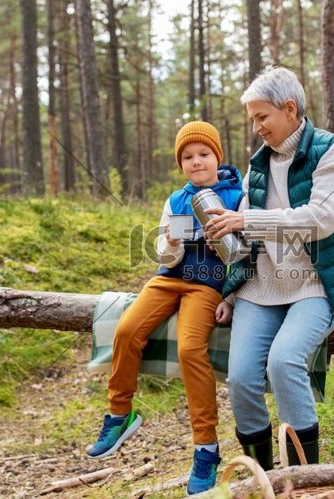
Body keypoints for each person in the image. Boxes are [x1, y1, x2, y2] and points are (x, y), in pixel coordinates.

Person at [204, 66, 334, 470]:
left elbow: (320, 219)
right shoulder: (258, 163)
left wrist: (247, 221)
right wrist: (228, 289)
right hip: (261, 287)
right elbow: (243, 231)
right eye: (253, 120)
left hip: (317, 283)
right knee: (241, 377)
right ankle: (263, 477)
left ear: (290, 109)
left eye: (262, 117)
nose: (257, 127)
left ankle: (305, 477)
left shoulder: (333, 151)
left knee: (283, 362)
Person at [87, 121, 243, 495]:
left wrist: (231, 297)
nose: (196, 162)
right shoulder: (176, 199)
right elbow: (162, 252)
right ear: (181, 164)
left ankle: (206, 449)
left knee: (191, 348)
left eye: (203, 154)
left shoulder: (238, 197)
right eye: (187, 157)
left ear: (217, 156)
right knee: (126, 330)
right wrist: (170, 242)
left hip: (206, 284)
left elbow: (244, 254)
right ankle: (120, 414)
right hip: (168, 278)